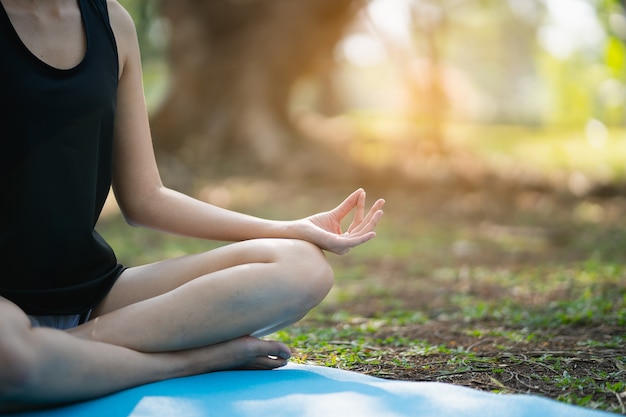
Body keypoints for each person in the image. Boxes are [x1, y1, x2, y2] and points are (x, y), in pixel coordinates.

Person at [0, 0, 384, 412]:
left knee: (302, 268)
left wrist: (290, 228)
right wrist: (204, 357)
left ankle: (62, 355)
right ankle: (187, 361)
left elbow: (146, 199)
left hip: (94, 296)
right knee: (13, 365)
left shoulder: (112, 23)